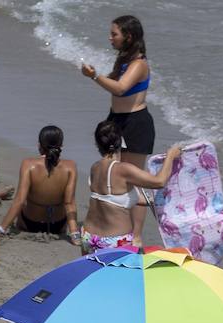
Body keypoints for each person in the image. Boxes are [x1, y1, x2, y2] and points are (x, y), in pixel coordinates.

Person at [81, 14, 156, 247]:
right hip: (116, 120)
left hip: (135, 123)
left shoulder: (139, 64)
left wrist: (94, 75)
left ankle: (136, 235)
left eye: (114, 34)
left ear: (129, 36)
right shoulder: (123, 61)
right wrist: (97, 75)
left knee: (133, 180)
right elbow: (113, 84)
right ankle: (114, 225)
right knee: (113, 174)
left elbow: (121, 89)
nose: (110, 38)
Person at [81, 120, 179, 253]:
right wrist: (171, 156)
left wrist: (160, 201)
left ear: (97, 144)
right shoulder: (123, 169)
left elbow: (113, 200)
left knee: (93, 273)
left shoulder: (95, 168)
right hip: (115, 241)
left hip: (89, 237)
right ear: (121, 141)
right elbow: (159, 181)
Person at [0, 125, 78, 242]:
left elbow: (20, 201)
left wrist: (1, 229)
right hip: (57, 225)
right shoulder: (70, 167)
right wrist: (74, 234)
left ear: (39, 145)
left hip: (30, 223)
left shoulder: (28, 164)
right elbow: (69, 203)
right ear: (61, 146)